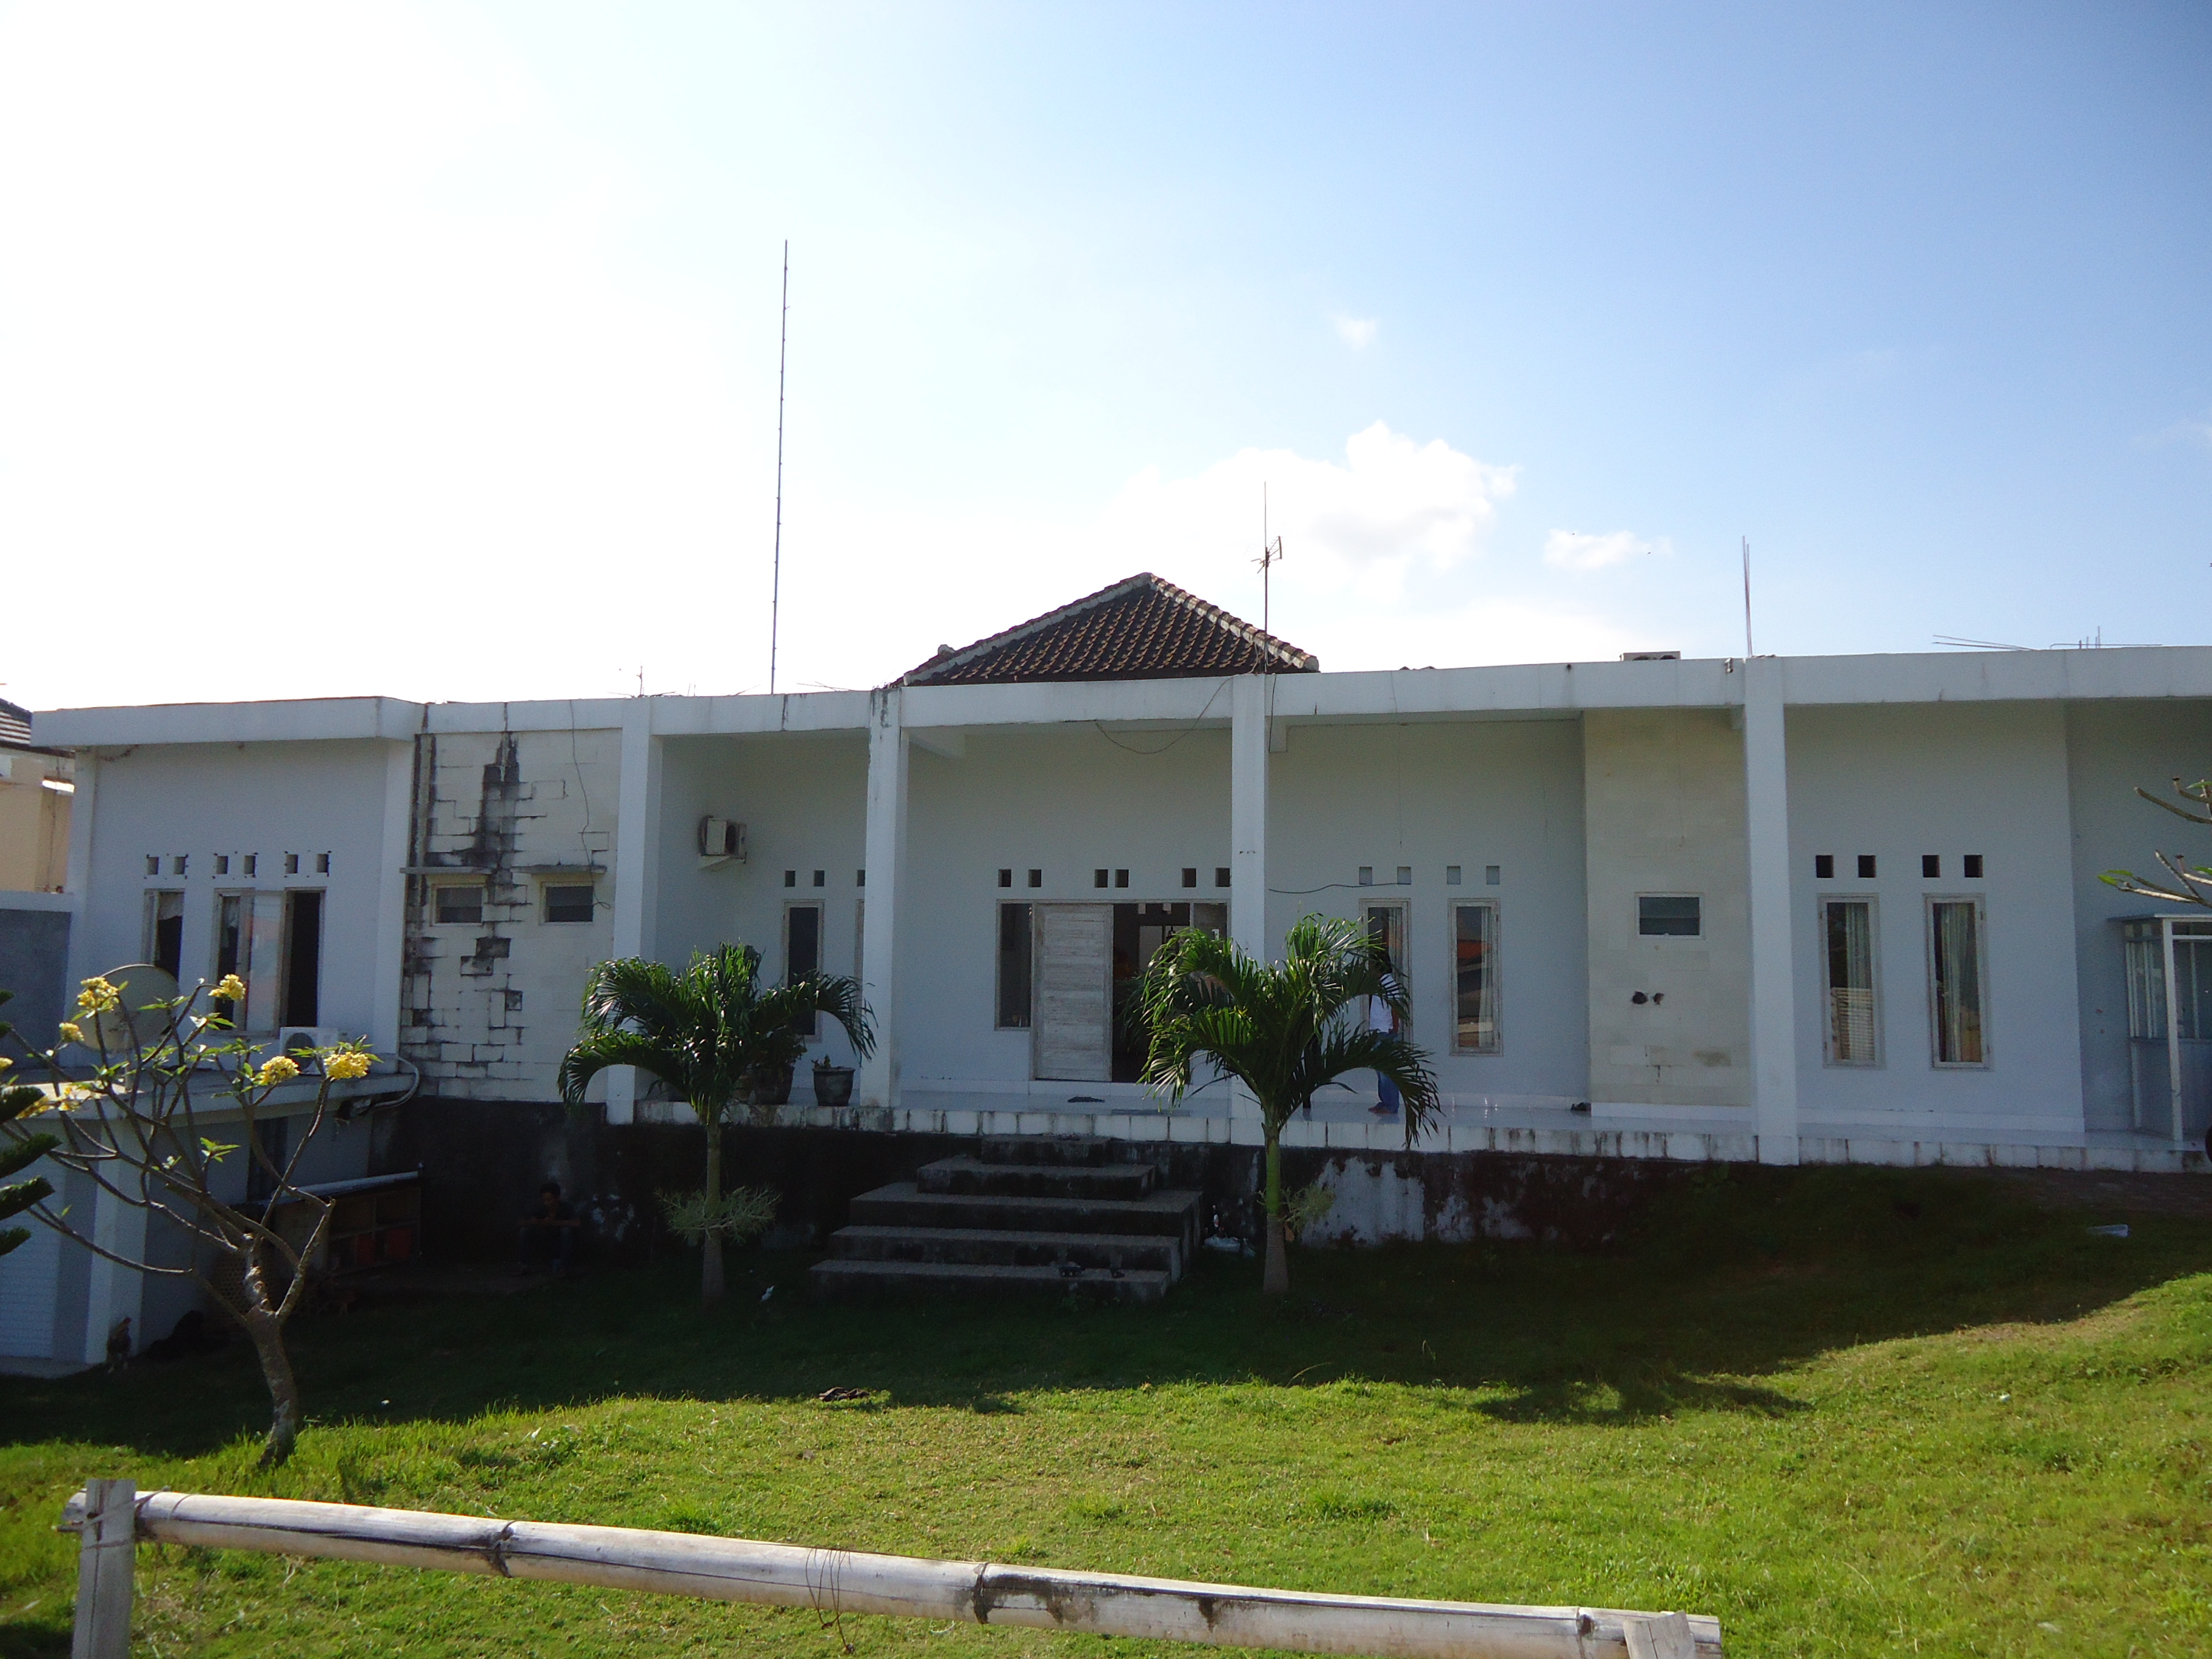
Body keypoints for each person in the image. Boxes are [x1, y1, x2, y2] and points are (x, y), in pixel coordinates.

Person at [517, 1181, 580, 1275]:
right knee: (524, 1231)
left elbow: (577, 1223)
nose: (547, 1203)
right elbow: (520, 1223)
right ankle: (525, 1266)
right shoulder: (540, 1208)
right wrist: (534, 1222)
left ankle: (565, 1268)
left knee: (566, 1232)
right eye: (544, 1200)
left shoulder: (566, 1207)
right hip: (544, 1240)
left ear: (557, 1198)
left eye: (549, 1200)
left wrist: (553, 1223)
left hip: (560, 1242)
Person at [1368, 988, 1401, 1118]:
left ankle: (1391, 1105)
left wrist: (1394, 1027)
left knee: (1387, 1072)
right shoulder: (1377, 985)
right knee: (1380, 1070)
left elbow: (1395, 1006)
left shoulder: (1388, 984)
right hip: (1378, 1032)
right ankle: (1384, 1102)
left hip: (1385, 1032)